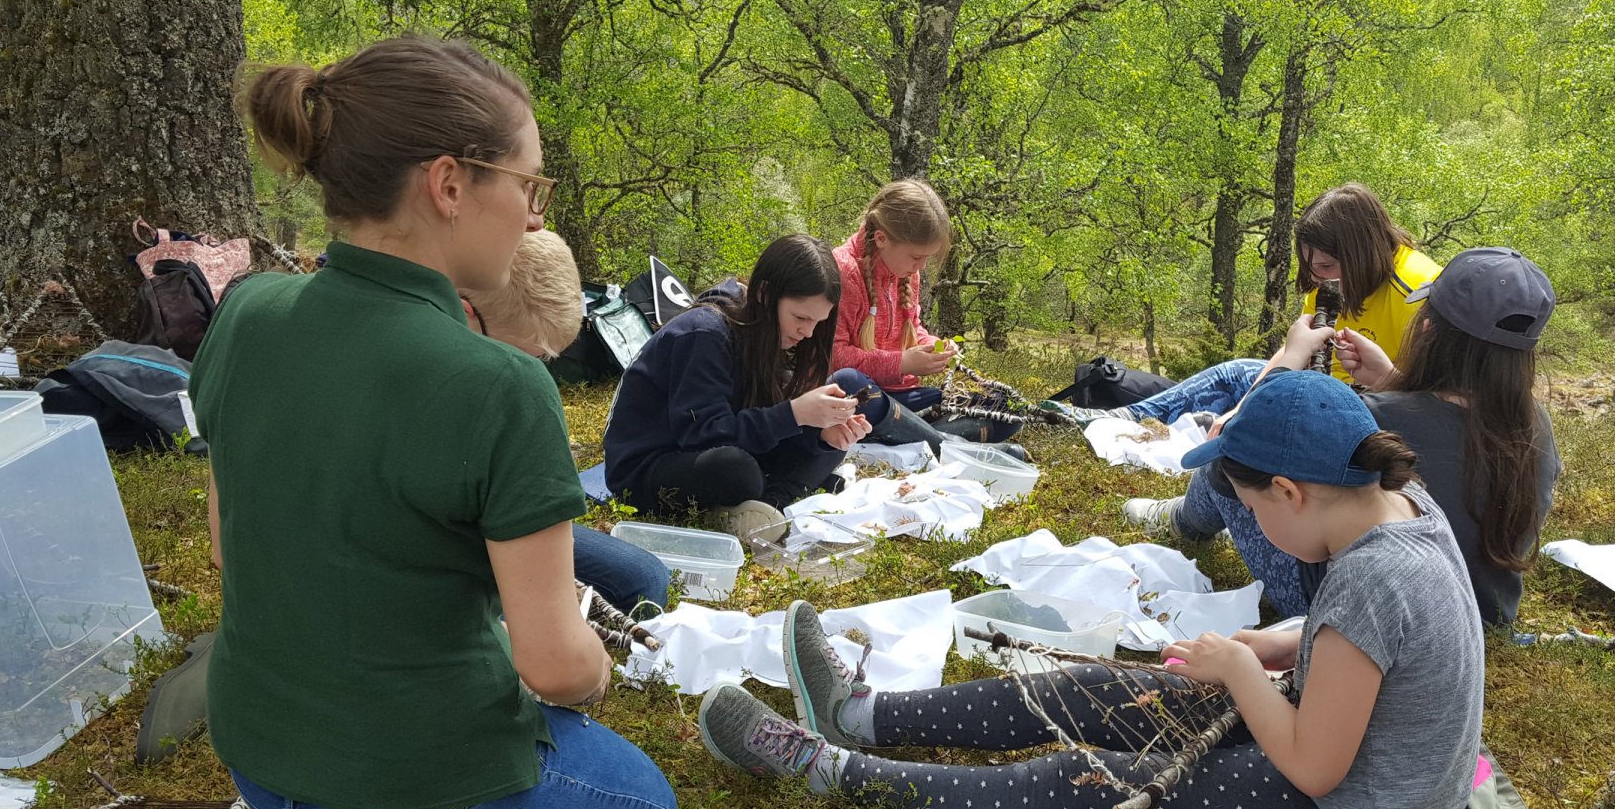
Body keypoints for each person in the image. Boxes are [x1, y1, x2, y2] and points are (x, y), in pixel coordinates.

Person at [189, 38, 677, 809]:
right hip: (421, 791)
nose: (535, 216)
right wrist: (600, 670)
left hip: (259, 759)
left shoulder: (246, 312)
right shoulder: (500, 384)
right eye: (529, 185)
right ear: (450, 184)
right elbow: (555, 669)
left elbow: (232, 555)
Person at [698, 370, 1486, 809]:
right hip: (1357, 757)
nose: (1252, 524)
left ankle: (832, 769)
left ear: (1289, 492)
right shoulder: (1400, 504)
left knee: (1079, 779)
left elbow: (1315, 768)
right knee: (1093, 690)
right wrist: (1277, 643)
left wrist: (1245, 671)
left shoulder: (1371, 579)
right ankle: (859, 714)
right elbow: (1368, 647)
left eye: (1248, 507)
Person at [1126, 247, 1561, 628]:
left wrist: (1293, 355)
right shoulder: (1536, 426)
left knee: (1226, 460)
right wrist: (1391, 380)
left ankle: (1185, 520)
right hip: (1480, 613)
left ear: (1429, 330)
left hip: (1354, 605)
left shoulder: (1376, 421)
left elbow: (1249, 433)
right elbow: (1448, 435)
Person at [1042, 183, 1442, 427]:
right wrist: (1246, 405)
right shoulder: (1331, 280)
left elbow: (1440, 405)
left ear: (1359, 254)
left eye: (1325, 266)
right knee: (1237, 374)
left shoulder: (1420, 291)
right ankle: (1123, 418)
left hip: (1369, 413)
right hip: (1313, 391)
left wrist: (1384, 380)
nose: (1318, 278)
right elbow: (1292, 350)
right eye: (1311, 267)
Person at [602, 234, 877, 541]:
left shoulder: (769, 332)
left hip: (721, 445)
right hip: (652, 467)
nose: (809, 332)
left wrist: (821, 434)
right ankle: (768, 499)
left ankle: (765, 507)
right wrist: (794, 414)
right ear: (765, 294)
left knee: (830, 439)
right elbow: (703, 435)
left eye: (818, 322)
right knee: (737, 470)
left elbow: (758, 422)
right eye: (801, 317)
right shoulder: (703, 333)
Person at [462, 230, 670, 613]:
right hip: (453, 537)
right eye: (525, 357)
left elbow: (539, 516)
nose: (534, 372)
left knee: (646, 579)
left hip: (507, 521)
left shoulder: (508, 380)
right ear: (466, 315)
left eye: (544, 361)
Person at [830, 179, 1023, 450]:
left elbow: (913, 328)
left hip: (905, 398)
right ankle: (942, 444)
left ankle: (906, 434)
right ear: (881, 239)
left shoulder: (906, 272)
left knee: (1008, 409)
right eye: (916, 257)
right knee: (848, 382)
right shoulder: (843, 271)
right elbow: (834, 357)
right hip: (868, 396)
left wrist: (933, 346)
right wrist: (902, 364)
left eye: (926, 258)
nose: (921, 266)